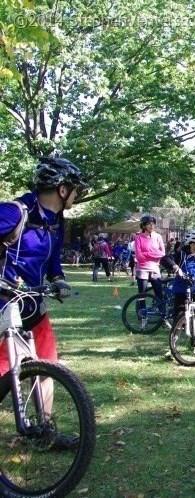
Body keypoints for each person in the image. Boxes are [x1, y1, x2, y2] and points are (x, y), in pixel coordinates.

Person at [0, 156, 89, 449]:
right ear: (62, 190)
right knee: (3, 368)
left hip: (33, 303)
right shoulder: (16, 212)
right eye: (75, 188)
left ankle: (44, 431)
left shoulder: (56, 220)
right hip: (4, 304)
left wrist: (59, 278)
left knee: (48, 364)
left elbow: (51, 260)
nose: (77, 194)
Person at [160, 230, 195, 319]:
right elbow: (165, 259)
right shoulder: (181, 255)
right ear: (192, 244)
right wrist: (175, 267)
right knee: (179, 317)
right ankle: (176, 332)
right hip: (181, 290)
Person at [134, 214, 169, 328]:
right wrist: (153, 254)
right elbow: (139, 256)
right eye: (149, 224)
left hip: (155, 268)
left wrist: (148, 254)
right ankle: (144, 319)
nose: (151, 225)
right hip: (142, 269)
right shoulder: (138, 237)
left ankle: (163, 318)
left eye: (153, 223)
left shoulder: (158, 236)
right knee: (142, 295)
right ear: (144, 225)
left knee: (159, 294)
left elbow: (162, 253)